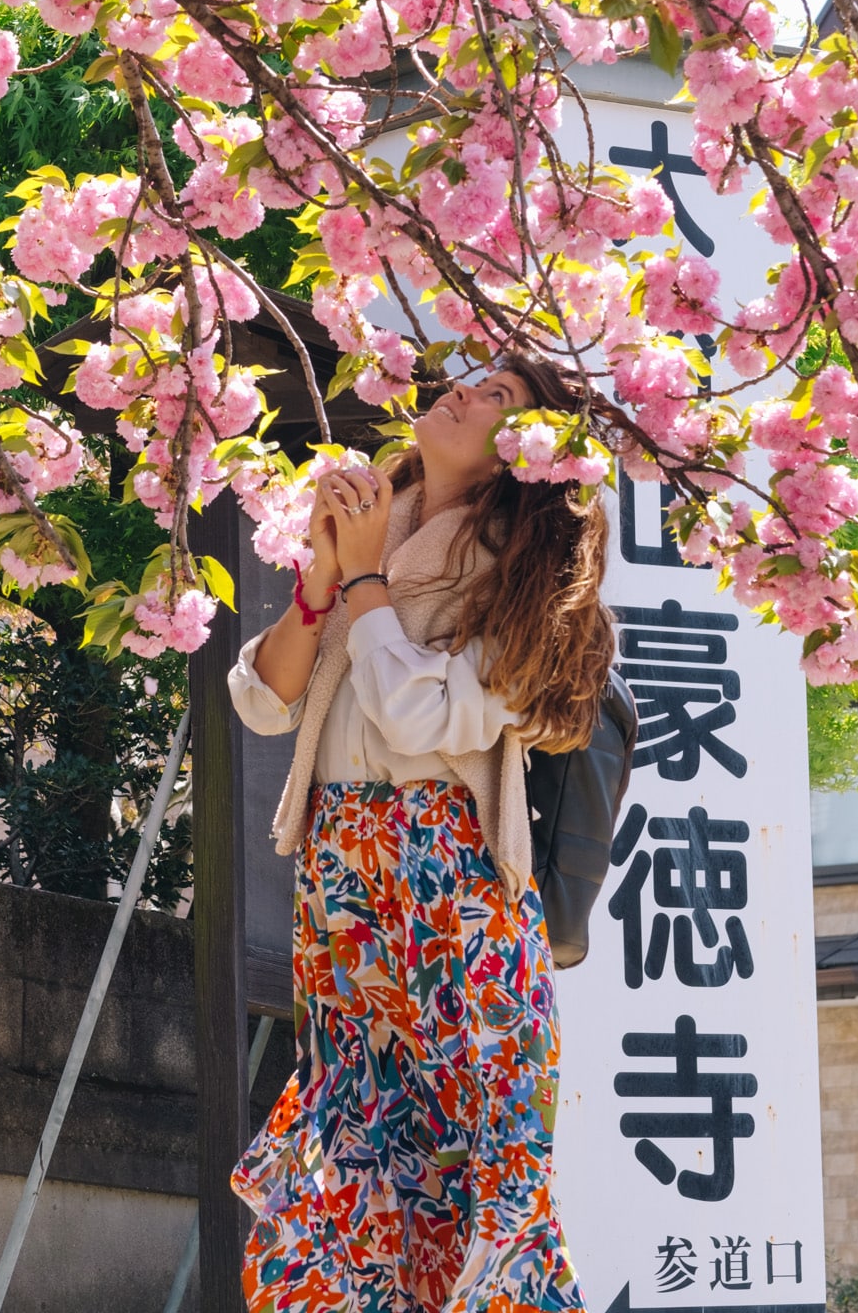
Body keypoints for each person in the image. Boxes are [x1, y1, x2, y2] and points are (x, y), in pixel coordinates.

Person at [227, 352, 614, 1313]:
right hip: (344, 863)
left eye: (500, 397)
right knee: (359, 1131)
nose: (462, 391)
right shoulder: (375, 520)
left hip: (453, 873)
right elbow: (264, 704)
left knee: (473, 1138)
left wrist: (361, 577)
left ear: (527, 454)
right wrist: (323, 578)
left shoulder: (532, 579)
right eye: (469, 377)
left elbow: (417, 716)